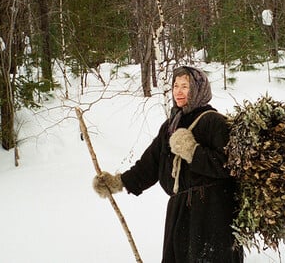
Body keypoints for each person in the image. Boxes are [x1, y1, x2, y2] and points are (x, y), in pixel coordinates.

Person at [93, 66, 244, 263]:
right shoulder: (170, 126)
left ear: (199, 90)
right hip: (180, 210)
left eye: (185, 86)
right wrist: (118, 182)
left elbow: (229, 165)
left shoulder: (214, 122)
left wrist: (192, 151)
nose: (178, 91)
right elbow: (150, 163)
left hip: (212, 211)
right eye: (175, 86)